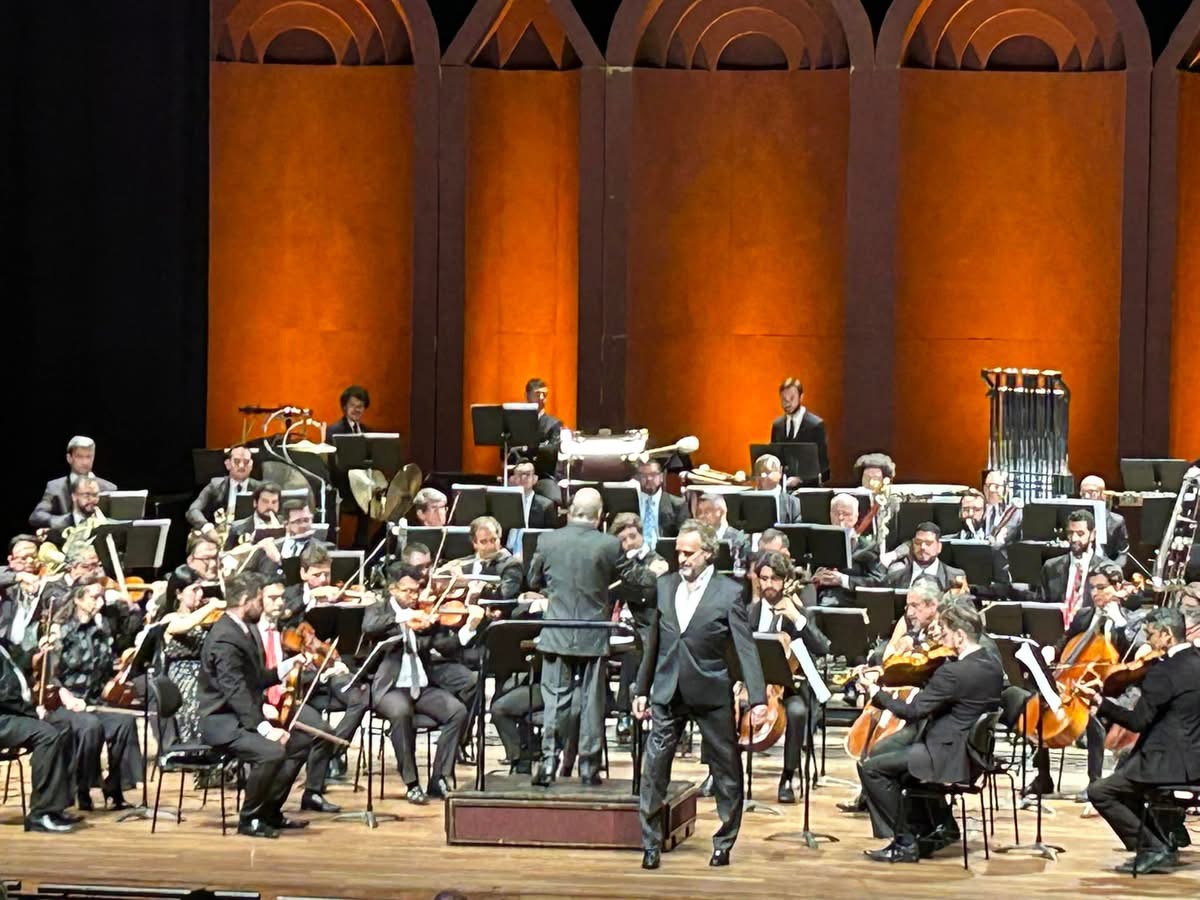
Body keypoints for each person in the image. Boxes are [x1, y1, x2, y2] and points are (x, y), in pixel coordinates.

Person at [634, 519, 767, 870]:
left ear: (708, 553)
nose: (681, 558)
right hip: (668, 690)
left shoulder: (729, 592)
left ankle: (724, 842)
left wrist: (758, 698)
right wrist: (641, 689)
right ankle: (650, 843)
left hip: (710, 690)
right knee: (654, 768)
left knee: (725, 769)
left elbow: (745, 648)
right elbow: (653, 643)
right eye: (678, 551)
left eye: (689, 553)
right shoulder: (665, 586)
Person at [856, 603, 1003, 863]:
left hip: (945, 755)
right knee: (895, 764)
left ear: (960, 636)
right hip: (971, 754)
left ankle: (905, 842)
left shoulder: (953, 672)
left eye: (945, 633)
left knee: (871, 769)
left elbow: (913, 711)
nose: (942, 639)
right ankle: (939, 828)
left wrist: (876, 693)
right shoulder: (991, 664)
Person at [197, 572, 324, 838]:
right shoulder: (225, 637)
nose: (261, 605)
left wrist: (289, 665)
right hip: (223, 721)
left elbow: (256, 679)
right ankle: (249, 818)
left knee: (300, 742)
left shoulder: (243, 630)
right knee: (271, 752)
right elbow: (235, 691)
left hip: (241, 717)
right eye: (258, 599)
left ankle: (270, 811)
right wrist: (265, 729)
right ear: (245, 600)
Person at [527, 488, 635, 787]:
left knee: (555, 701)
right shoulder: (609, 544)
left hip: (557, 631)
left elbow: (533, 580)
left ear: (571, 510)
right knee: (591, 703)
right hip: (593, 633)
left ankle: (548, 763)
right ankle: (589, 767)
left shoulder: (547, 540)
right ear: (600, 515)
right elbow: (631, 580)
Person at [1084, 607, 1200, 874]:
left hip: (1169, 762)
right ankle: (1162, 842)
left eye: (1151, 635)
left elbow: (1138, 722)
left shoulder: (1164, 671)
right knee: (1126, 774)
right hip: (1194, 758)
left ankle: (1152, 848)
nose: (1148, 642)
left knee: (1101, 792)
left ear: (1167, 635)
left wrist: (1102, 705)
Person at [1027, 563, 1139, 800]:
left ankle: (1094, 782)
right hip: (1078, 683)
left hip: (1114, 689)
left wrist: (1119, 623)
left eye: (1101, 587)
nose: (1095, 593)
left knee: (1091, 715)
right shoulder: (1084, 615)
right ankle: (1043, 777)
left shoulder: (1131, 620)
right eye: (1092, 588)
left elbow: (1133, 653)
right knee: (1037, 706)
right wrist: (1051, 650)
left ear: (1118, 587)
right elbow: (1065, 641)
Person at [362, 563, 468, 805]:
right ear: (392, 589)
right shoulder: (378, 609)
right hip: (390, 687)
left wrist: (454, 627)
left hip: (420, 684)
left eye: (416, 591)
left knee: (457, 711)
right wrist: (405, 618)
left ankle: (439, 777)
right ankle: (411, 783)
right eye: (407, 591)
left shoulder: (424, 611)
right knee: (401, 712)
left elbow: (445, 647)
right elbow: (370, 627)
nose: (413, 596)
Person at [47, 579, 141, 811]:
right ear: (78, 599)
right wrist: (67, 697)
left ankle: (116, 788)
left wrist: (118, 677)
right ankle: (82, 787)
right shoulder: (61, 630)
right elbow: (49, 673)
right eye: (93, 597)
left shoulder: (101, 629)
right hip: (65, 704)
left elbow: (106, 667)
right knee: (90, 727)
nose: (99, 602)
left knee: (125, 723)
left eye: (101, 597)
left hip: (93, 702)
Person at [749, 550, 830, 803]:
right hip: (755, 687)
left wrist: (796, 617)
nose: (769, 584)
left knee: (796, 713)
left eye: (775, 579)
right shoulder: (750, 612)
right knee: (720, 704)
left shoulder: (800, 614)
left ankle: (787, 776)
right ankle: (717, 773)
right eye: (764, 578)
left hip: (789, 689)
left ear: (785, 581)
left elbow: (822, 647)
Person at [0, 634, 76, 832]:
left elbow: (21, 664)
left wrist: (39, 653)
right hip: (3, 719)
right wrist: (33, 713)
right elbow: (4, 694)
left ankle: (56, 806)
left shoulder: (3, 644)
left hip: (12, 714)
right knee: (47, 735)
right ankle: (40, 814)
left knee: (63, 727)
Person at [608, 512, 670, 743]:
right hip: (617, 625)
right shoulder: (617, 564)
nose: (629, 543)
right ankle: (607, 705)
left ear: (642, 536)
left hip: (647, 627)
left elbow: (649, 592)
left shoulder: (657, 560)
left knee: (632, 651)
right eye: (623, 540)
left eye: (633, 536)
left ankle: (626, 712)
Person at [157, 565, 226, 744]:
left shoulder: (207, 618)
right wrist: (211, 606)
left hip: (206, 673)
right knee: (197, 703)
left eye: (201, 589)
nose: (200, 594)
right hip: (182, 677)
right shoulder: (170, 618)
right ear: (179, 593)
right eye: (194, 590)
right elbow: (186, 625)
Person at [29, 436, 117, 530]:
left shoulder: (109, 488)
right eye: (79, 457)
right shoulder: (55, 487)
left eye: (88, 456)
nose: (85, 462)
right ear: (69, 458)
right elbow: (36, 516)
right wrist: (65, 521)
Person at [1040, 510, 1107, 623]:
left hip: (1090, 630)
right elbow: (1042, 608)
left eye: (1080, 534)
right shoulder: (1050, 567)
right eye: (1071, 533)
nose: (1074, 538)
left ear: (1093, 535)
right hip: (1056, 627)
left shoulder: (1106, 570)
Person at [186, 445, 260, 536]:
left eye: (246, 462)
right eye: (237, 461)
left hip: (251, 536)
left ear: (251, 465)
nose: (241, 465)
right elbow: (193, 510)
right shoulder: (215, 485)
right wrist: (207, 528)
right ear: (228, 464)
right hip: (218, 535)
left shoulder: (260, 489)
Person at [769, 377, 830, 483]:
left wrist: (801, 479)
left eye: (791, 398)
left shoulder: (815, 425)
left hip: (809, 489)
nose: (787, 403)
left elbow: (823, 468)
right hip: (783, 487)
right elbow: (775, 459)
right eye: (784, 399)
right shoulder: (777, 426)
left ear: (801, 397)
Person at [881, 523, 966, 591]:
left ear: (939, 547)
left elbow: (962, 606)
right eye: (918, 542)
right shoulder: (894, 578)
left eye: (928, 543)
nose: (922, 547)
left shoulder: (955, 577)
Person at [504, 458, 557, 555]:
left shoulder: (546, 506)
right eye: (520, 474)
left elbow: (551, 537)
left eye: (528, 474)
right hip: (507, 553)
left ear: (535, 479)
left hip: (533, 553)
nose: (523, 478)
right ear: (513, 479)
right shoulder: (505, 503)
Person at [634, 458, 687, 550]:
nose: (649, 479)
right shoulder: (630, 502)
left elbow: (684, 537)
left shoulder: (678, 505)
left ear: (661, 477)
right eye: (644, 475)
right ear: (637, 478)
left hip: (666, 553)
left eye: (653, 474)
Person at [1079, 475, 1130, 569]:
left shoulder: (1116, 521)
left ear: (1103, 495)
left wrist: (1114, 568)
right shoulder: (1074, 520)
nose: (1086, 497)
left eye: (1092, 493)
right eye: (1083, 493)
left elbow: (1122, 554)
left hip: (1106, 566)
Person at [223, 482, 283, 549]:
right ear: (255, 503)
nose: (270, 506)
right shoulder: (237, 528)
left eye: (274, 502)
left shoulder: (286, 525)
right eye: (265, 501)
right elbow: (226, 554)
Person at [752, 454, 801, 524]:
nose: (763, 476)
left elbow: (798, 528)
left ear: (780, 472)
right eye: (759, 473)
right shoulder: (746, 502)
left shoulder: (794, 504)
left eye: (768, 472)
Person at [981, 470, 1021, 545]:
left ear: (1006, 489)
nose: (991, 490)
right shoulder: (978, 509)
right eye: (987, 486)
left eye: (996, 486)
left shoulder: (1015, 512)